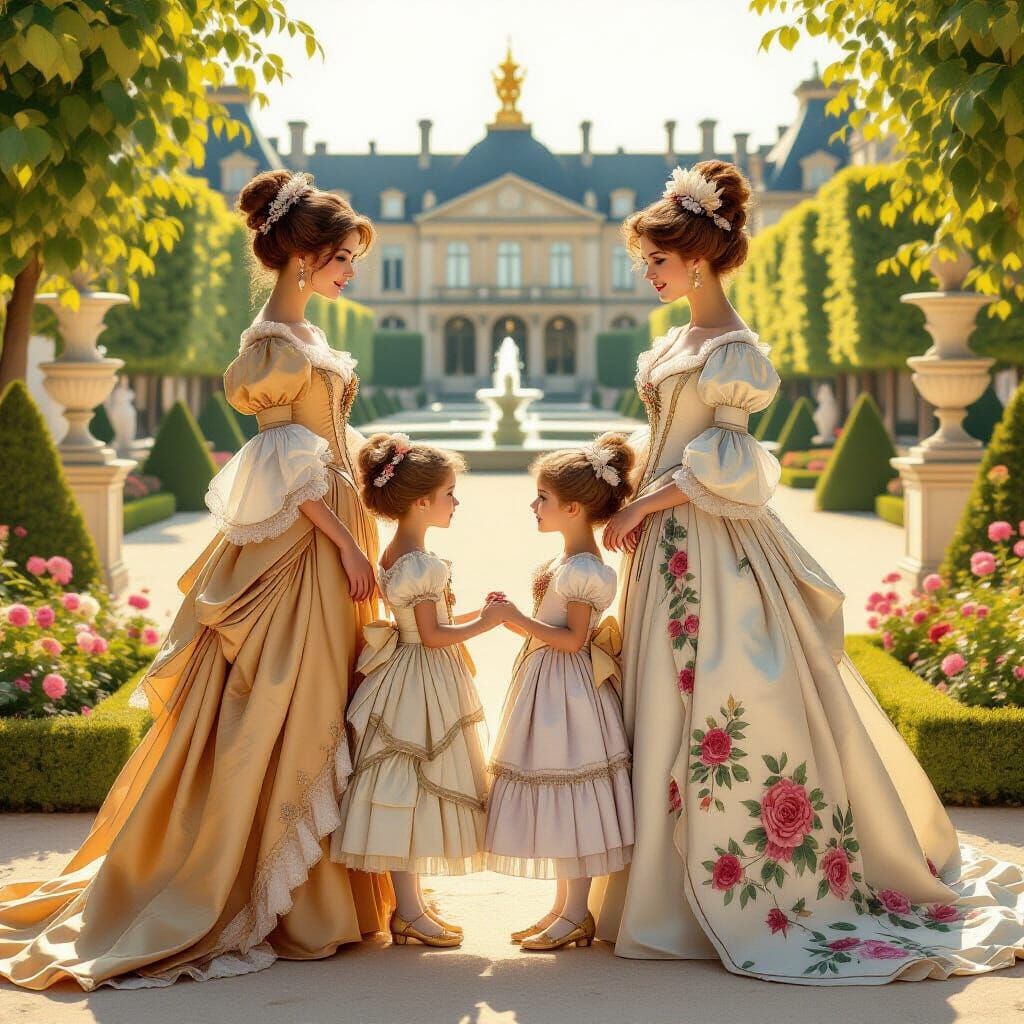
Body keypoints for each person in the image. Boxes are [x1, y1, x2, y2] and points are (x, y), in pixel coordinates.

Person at [595, 161, 1024, 983]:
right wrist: (627, 492)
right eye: (646, 261)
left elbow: (732, 460)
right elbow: (674, 444)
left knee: (721, 697)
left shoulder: (734, 350)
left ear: (698, 258)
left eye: (656, 260)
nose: (647, 273)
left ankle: (735, 888)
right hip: (667, 552)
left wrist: (643, 508)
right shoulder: (678, 341)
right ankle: (659, 892)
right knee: (663, 697)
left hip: (712, 548)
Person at [0, 169, 390, 989]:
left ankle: (316, 898)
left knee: (315, 701)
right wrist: (348, 547)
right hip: (303, 548)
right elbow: (285, 465)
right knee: (292, 704)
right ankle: (268, 897)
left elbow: (315, 447)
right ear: (302, 259)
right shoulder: (272, 347)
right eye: (343, 257)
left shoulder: (301, 337)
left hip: (330, 532)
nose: (351, 269)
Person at [333, 435, 497, 947]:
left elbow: (428, 622)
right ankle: (408, 911)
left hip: (410, 670)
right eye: (450, 492)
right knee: (412, 785)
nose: (455, 501)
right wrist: (489, 623)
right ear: (421, 502)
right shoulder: (421, 562)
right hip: (421, 677)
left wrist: (476, 614)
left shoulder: (399, 550)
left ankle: (413, 905)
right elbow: (432, 635)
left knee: (411, 789)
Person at [484, 436, 634, 951]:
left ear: (573, 508)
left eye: (542, 498)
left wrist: (514, 619)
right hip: (548, 684)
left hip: (568, 696)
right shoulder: (570, 561)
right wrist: (514, 617)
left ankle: (576, 913)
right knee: (559, 788)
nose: (534, 505)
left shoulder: (587, 570)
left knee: (573, 791)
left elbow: (573, 640)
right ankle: (562, 908)